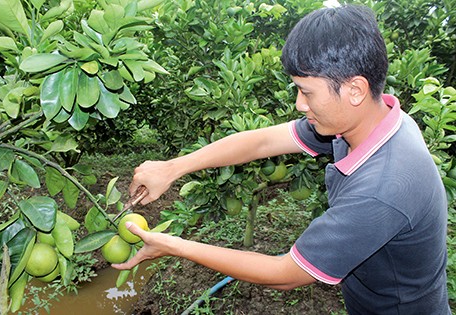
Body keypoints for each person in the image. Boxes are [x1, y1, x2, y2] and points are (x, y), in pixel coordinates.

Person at [113, 4, 451, 314]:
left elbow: (285, 274)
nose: (300, 105)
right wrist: (173, 168)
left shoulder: (384, 188)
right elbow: (261, 142)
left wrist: (175, 246)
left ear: (355, 90)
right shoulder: (373, 119)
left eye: (306, 92)